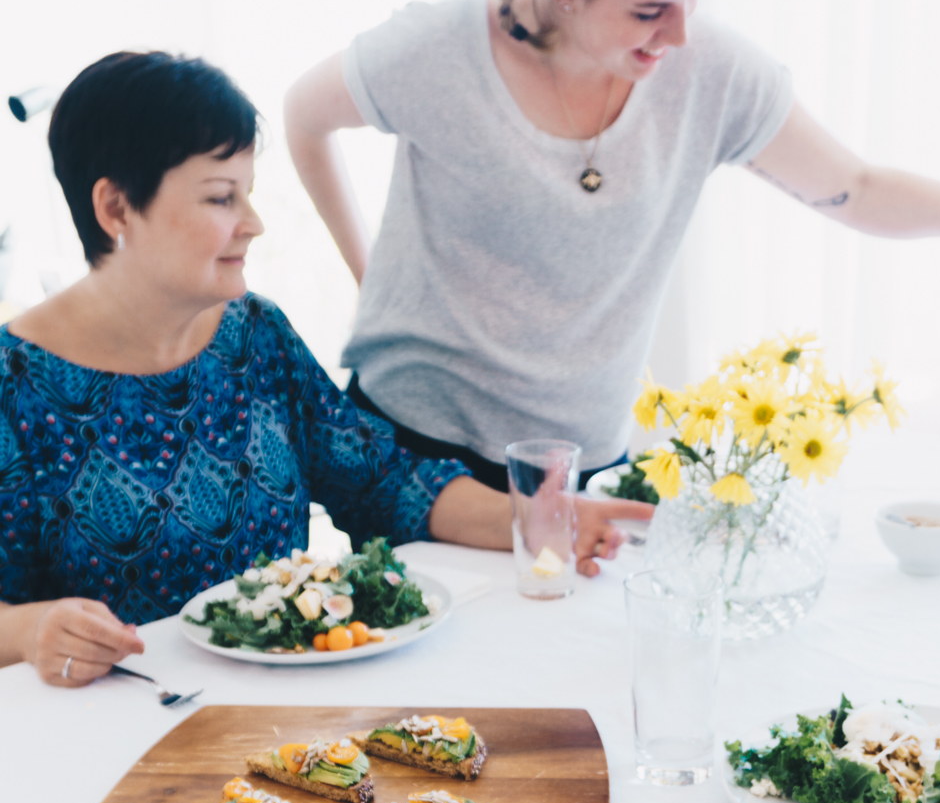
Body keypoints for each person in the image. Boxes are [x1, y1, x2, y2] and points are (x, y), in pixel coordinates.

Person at [284, 0, 940, 493]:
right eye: (650, 12)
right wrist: (367, 271)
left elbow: (857, 186)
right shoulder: (436, 51)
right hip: (418, 450)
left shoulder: (711, 75)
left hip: (587, 460)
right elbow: (304, 116)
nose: (682, 34)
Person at [0, 52, 647, 688]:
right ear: (115, 209)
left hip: (288, 716)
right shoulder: (12, 384)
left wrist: (535, 519)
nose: (252, 224)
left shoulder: (253, 334)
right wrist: (31, 631)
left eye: (247, 193)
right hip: (116, 741)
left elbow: (385, 484)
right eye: (222, 198)